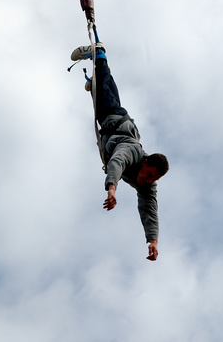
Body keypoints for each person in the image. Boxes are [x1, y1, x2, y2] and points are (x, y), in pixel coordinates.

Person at [71, 43, 169, 261]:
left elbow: (150, 210)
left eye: (154, 179)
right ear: (144, 163)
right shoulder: (131, 152)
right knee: (103, 76)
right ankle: (98, 52)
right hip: (111, 116)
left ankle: (95, 82)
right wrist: (112, 189)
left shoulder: (148, 186)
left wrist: (153, 241)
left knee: (107, 85)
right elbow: (117, 162)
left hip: (116, 119)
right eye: (149, 174)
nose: (147, 180)